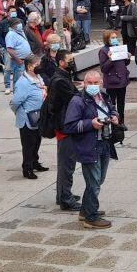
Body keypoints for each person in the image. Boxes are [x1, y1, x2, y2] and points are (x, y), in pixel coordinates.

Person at [62, 70, 119, 229]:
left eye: (96, 83)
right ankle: (91, 217)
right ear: (84, 83)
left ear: (101, 82)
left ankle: (85, 210)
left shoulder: (104, 96)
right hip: (89, 146)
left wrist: (115, 117)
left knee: (98, 180)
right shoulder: (77, 101)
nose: (93, 86)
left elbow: (112, 110)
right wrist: (90, 123)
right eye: (90, 83)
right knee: (94, 183)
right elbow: (69, 126)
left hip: (105, 143)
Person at [44, 48, 80, 211]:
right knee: (67, 164)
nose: (72, 62)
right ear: (61, 63)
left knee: (65, 163)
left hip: (63, 124)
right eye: (70, 60)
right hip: (65, 126)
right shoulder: (60, 81)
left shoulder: (63, 77)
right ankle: (66, 198)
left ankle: (63, 194)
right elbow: (74, 100)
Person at [11, 54, 48, 179]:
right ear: (30, 67)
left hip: (38, 116)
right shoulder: (23, 82)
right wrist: (20, 112)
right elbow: (15, 102)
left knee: (37, 141)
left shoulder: (38, 77)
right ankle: (27, 168)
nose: (40, 67)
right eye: (38, 65)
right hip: (27, 119)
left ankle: (35, 162)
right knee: (28, 145)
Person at [99, 30, 131, 123]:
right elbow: (103, 68)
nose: (115, 39)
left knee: (121, 103)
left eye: (115, 37)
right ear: (107, 39)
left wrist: (127, 57)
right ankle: (113, 122)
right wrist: (110, 59)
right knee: (111, 103)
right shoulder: (103, 51)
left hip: (122, 80)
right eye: (112, 38)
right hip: (111, 82)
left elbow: (124, 63)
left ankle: (121, 122)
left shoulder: (119, 47)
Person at [4, 18, 32, 94]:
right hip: (19, 61)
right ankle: (17, 96)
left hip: (25, 60)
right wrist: (18, 60)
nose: (20, 24)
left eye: (20, 22)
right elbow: (9, 49)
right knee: (18, 81)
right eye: (17, 23)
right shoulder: (11, 34)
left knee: (23, 81)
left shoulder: (20, 32)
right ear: (13, 25)